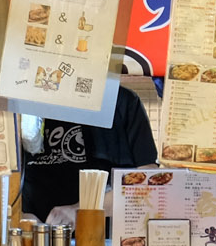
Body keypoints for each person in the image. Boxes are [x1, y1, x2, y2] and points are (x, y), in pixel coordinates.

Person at [19, 83, 157, 222]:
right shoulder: (20, 100)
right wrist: (19, 215)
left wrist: (82, 211)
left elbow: (148, 179)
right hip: (32, 234)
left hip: (99, 233)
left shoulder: (119, 100)